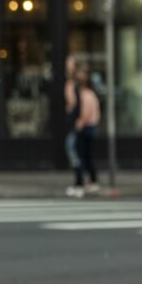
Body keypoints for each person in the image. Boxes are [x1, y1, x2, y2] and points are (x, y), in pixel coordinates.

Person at [74, 66, 101, 194]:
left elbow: (87, 112)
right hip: (90, 127)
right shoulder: (90, 94)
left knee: (84, 155)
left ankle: (88, 181)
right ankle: (91, 180)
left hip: (87, 127)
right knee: (86, 155)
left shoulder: (87, 95)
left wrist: (80, 123)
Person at [64, 55, 84, 198]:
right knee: (74, 151)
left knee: (75, 151)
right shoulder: (72, 83)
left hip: (77, 122)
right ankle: (79, 182)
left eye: (70, 64)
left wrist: (79, 120)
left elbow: (79, 105)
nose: (67, 67)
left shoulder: (77, 84)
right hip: (73, 121)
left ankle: (80, 183)